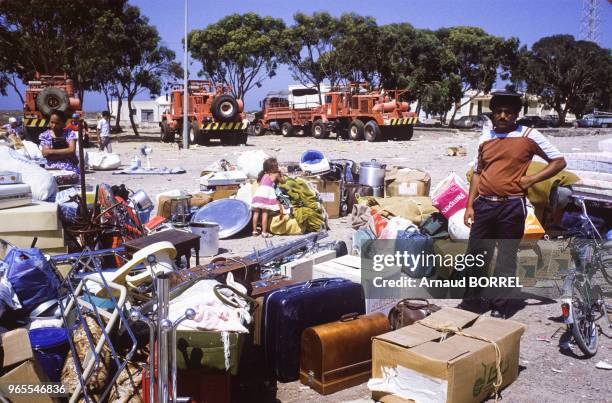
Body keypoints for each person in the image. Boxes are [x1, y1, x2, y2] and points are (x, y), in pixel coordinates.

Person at [461, 90, 566, 319]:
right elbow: (478, 173)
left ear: (516, 114)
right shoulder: (486, 137)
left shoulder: (529, 135)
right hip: (484, 205)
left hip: (511, 206)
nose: (502, 116)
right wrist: (470, 206)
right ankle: (471, 302)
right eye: (498, 111)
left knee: (506, 258)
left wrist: (532, 179)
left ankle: (501, 305)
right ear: (493, 113)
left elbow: (559, 161)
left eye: (508, 112)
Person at [38, 110, 80, 185]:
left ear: (63, 124)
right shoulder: (45, 135)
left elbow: (72, 150)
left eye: (57, 123)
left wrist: (51, 151)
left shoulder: (69, 133)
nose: (53, 125)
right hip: (52, 169)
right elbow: (46, 154)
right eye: (52, 122)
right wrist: (67, 154)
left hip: (70, 168)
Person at [251, 157, 286, 238]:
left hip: (259, 194)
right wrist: (282, 174)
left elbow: (260, 184)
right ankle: (264, 232)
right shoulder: (276, 174)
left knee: (256, 213)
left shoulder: (263, 175)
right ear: (272, 168)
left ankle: (254, 231)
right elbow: (283, 181)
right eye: (276, 167)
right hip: (266, 195)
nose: (277, 168)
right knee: (264, 213)